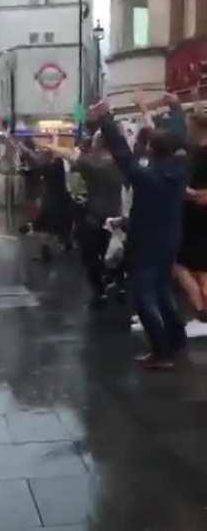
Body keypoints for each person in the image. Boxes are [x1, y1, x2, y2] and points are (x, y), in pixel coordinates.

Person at [89, 101, 187, 371]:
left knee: (145, 297)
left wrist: (106, 120)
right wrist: (175, 110)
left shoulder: (148, 178)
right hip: (170, 238)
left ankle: (161, 352)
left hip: (147, 241)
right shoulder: (179, 170)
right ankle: (176, 341)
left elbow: (122, 154)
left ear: (153, 151)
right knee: (163, 291)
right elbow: (176, 134)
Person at [44, 134, 123, 308]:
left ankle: (99, 289)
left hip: (95, 215)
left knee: (90, 254)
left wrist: (50, 145)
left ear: (97, 145)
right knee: (113, 251)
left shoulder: (91, 164)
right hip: (117, 214)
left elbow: (68, 154)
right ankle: (116, 281)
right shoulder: (122, 163)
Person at [175, 105, 207, 337]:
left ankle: (201, 314)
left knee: (180, 265)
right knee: (201, 268)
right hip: (194, 215)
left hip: (196, 217)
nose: (187, 131)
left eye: (189, 127)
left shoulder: (197, 155)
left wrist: (189, 192)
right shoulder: (194, 152)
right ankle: (202, 315)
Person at [18, 140, 74, 262]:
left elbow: (36, 162)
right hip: (63, 199)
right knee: (61, 225)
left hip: (52, 201)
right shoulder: (61, 164)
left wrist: (25, 149)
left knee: (42, 227)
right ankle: (67, 243)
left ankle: (46, 253)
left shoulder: (50, 166)